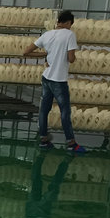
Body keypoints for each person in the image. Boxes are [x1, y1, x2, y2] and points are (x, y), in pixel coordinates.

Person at [23, 10, 87, 154]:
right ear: (68, 22)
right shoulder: (69, 35)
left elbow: (26, 52)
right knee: (65, 111)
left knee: (44, 110)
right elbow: (71, 59)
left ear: (58, 21)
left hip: (46, 78)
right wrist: (72, 57)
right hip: (59, 80)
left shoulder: (47, 34)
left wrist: (45, 54)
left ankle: (44, 141)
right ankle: (71, 143)